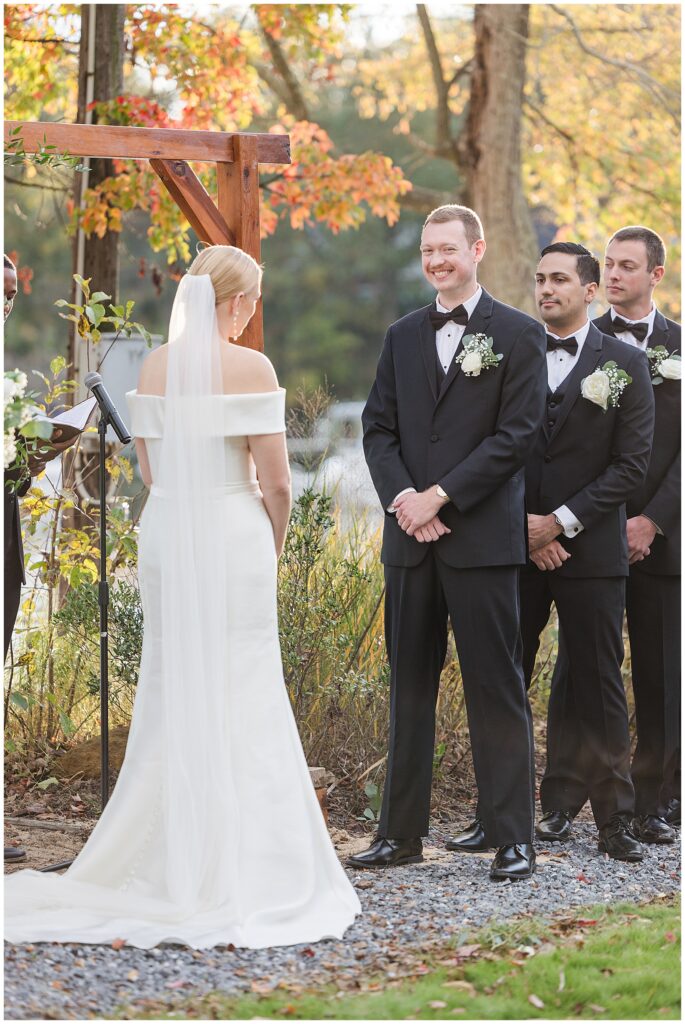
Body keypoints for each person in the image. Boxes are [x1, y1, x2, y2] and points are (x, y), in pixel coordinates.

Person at [5, 245, 360, 948]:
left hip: (168, 526)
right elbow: (278, 481)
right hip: (232, 526)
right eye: (252, 299)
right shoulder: (251, 366)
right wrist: (274, 541)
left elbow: (147, 465)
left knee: (176, 683)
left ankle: (169, 849)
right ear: (233, 301)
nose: (253, 311)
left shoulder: (157, 367)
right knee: (244, 681)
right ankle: (249, 857)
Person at [353, 204, 547, 882]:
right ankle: (398, 835)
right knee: (408, 687)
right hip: (410, 542)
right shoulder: (402, 335)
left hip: (481, 541)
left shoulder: (519, 335)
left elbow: (518, 434)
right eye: (428, 250)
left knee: (497, 689)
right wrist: (406, 499)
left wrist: (443, 496)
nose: (437, 260)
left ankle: (513, 839)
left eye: (448, 249)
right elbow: (377, 430)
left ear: (477, 250)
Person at [539, 228, 680, 845]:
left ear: (656, 275)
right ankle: (564, 797)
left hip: (661, 532)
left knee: (660, 672)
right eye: (611, 265)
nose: (618, 275)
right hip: (588, 533)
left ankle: (653, 802)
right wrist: (590, 520)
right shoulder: (570, 345)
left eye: (629, 266)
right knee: (580, 672)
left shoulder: (679, 347)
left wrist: (653, 519)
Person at [519, 242, 653, 862]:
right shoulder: (513, 353)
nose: (547, 289)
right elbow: (495, 447)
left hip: (591, 551)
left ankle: (614, 821)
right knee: (504, 677)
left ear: (591, 290)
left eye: (560, 280)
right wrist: (527, 527)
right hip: (517, 549)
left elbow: (630, 467)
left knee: (601, 685)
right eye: (540, 279)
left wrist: (560, 524)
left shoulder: (625, 362)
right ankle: (505, 815)